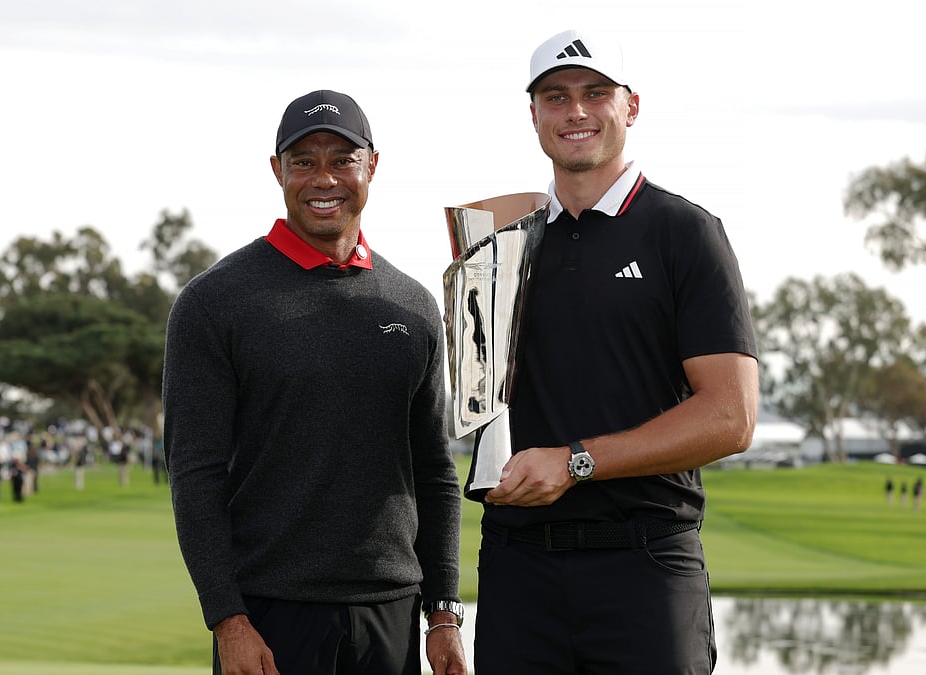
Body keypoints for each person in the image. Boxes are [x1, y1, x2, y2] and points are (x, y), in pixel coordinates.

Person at [473, 30, 760, 675]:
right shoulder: (498, 242)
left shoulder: (684, 233)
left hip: (645, 564)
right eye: (556, 96)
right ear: (534, 115)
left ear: (631, 106)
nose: (575, 111)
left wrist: (576, 463)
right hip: (518, 566)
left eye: (595, 94)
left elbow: (731, 417)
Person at [163, 89, 466, 675]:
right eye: (303, 161)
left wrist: (445, 614)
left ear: (371, 166)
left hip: (391, 610)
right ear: (277, 171)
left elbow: (433, 469)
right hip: (270, 615)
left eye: (341, 160)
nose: (323, 178)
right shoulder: (214, 302)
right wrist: (228, 619)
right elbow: (193, 475)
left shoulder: (414, 304)